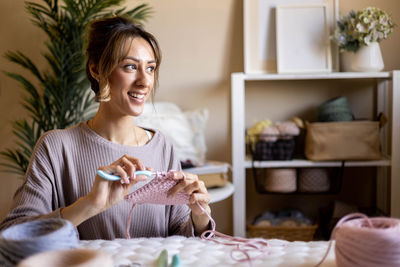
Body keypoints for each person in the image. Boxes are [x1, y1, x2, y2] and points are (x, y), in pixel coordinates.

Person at [0, 16, 211, 240]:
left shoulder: (162, 147)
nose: (145, 81)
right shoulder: (55, 147)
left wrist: (199, 216)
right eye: (130, 66)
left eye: (150, 68)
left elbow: (180, 236)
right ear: (96, 69)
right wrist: (90, 205)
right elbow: (12, 234)